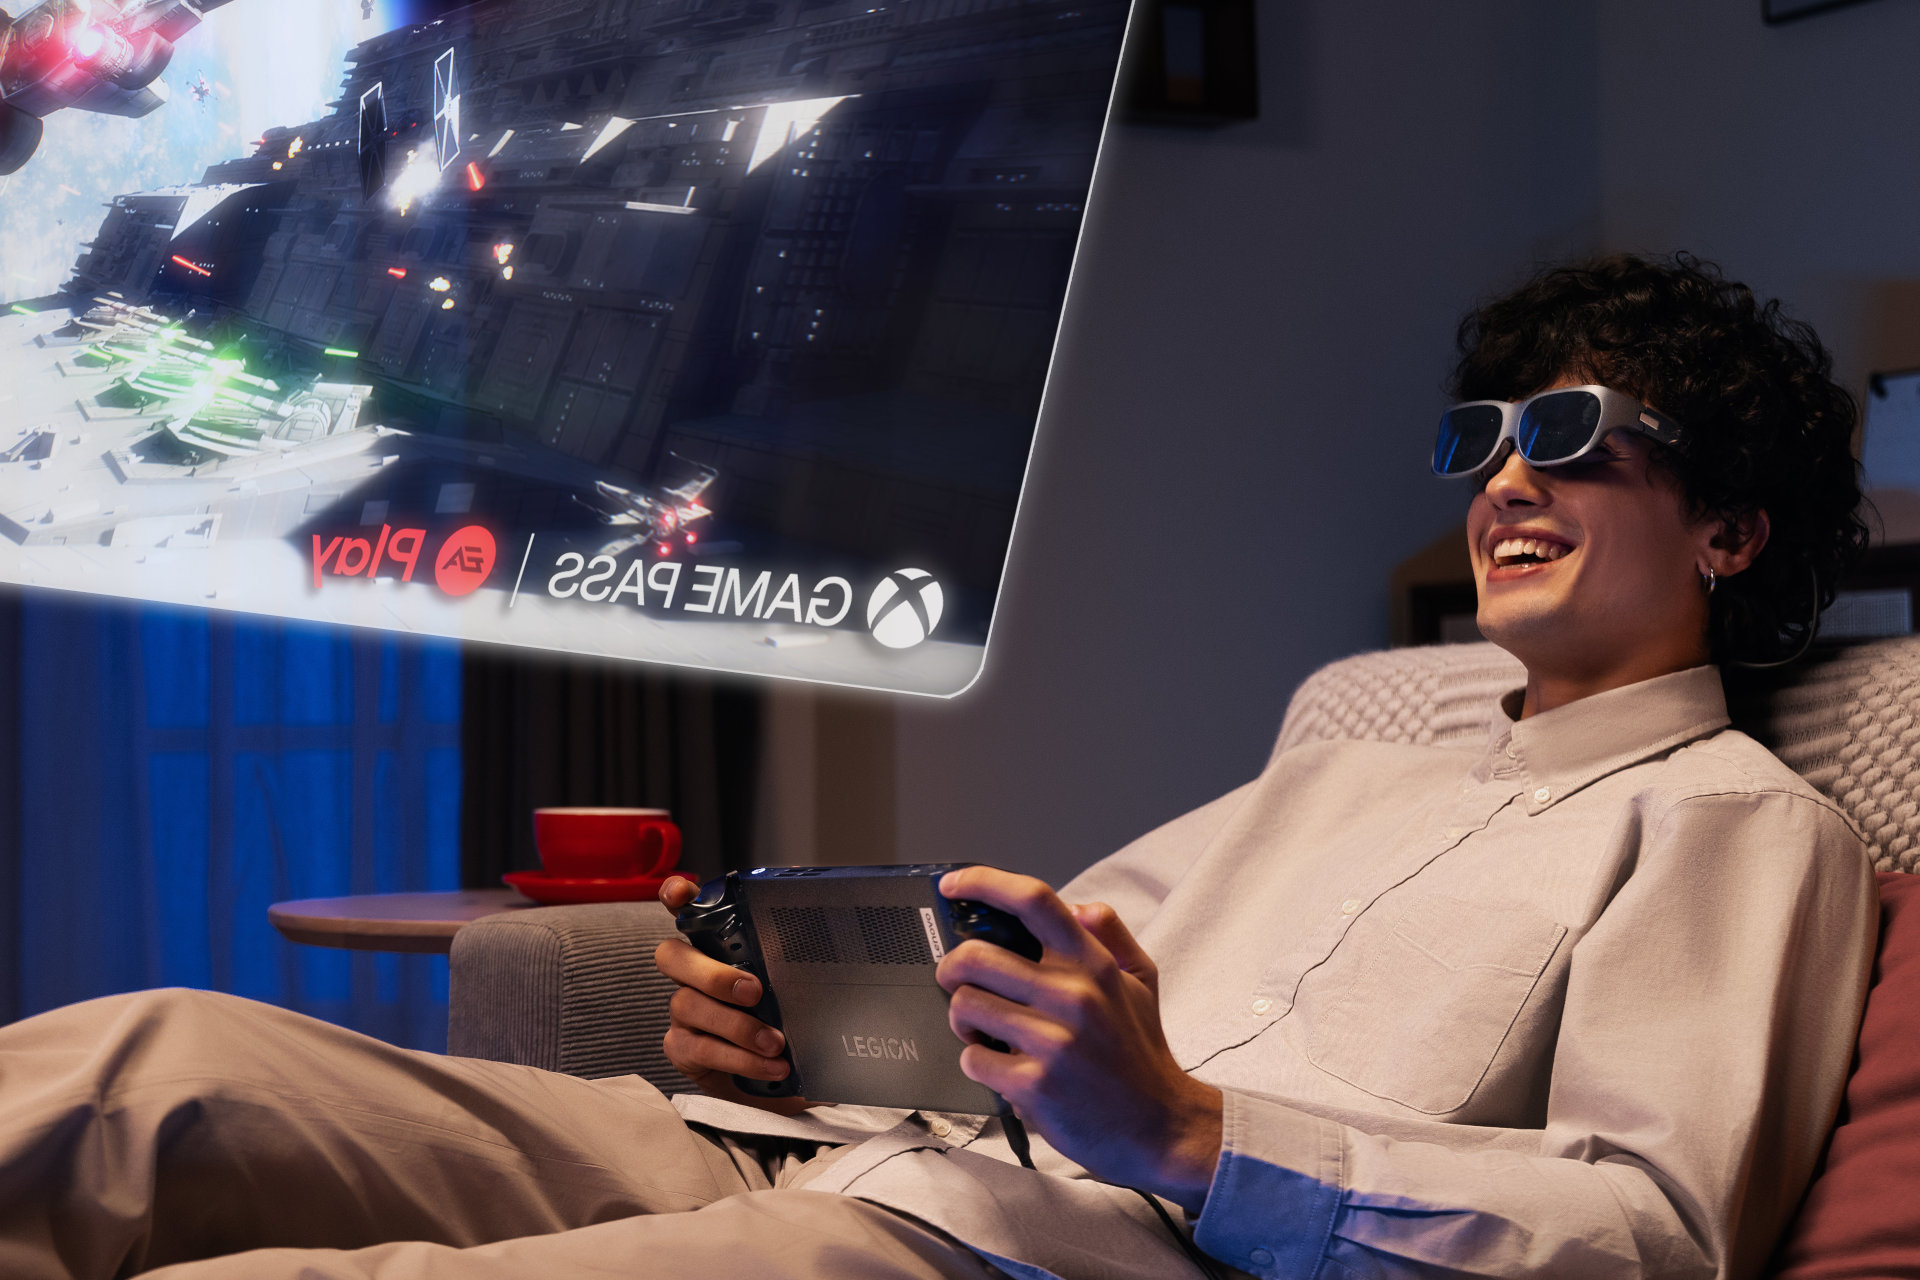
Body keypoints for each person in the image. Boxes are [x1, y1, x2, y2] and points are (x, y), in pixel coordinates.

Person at [0, 252, 1879, 1280]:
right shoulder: (1352, 753)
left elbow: (1651, 1231)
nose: (1503, 479)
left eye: (1570, 432)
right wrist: (785, 1026)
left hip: (1023, 1253)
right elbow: (1023, 983)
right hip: (804, 1152)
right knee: (144, 1060)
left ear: (1729, 529)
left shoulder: (1736, 824)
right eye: (1481, 434)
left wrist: (1197, 1139)